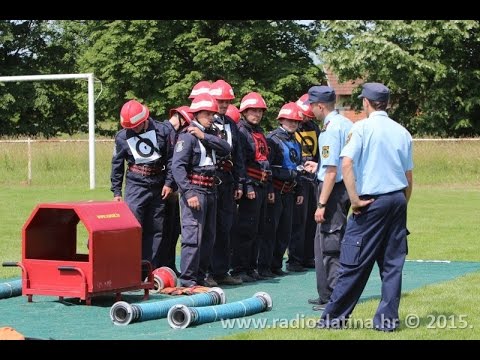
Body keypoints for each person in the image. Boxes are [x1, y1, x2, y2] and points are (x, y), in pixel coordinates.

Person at [317, 82, 413, 332]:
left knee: (352, 261)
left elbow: (346, 164)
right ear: (387, 103)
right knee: (392, 265)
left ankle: (333, 319)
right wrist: (402, 202)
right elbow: (408, 175)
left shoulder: (361, 128)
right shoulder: (402, 131)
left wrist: (356, 199)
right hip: (397, 199)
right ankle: (387, 322)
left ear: (366, 103)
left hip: (371, 202)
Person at [171, 93, 231, 287]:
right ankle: (188, 279)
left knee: (208, 236)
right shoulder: (186, 136)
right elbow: (177, 167)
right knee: (192, 236)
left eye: (212, 114)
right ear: (197, 114)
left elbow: (226, 148)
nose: (211, 117)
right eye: (207, 114)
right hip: (195, 190)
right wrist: (188, 193)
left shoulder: (210, 134)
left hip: (211, 190)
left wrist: (204, 136)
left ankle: (200, 276)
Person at [110, 99, 173, 280]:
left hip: (158, 185)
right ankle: (129, 269)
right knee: (133, 227)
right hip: (135, 185)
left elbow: (170, 160)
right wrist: (116, 192)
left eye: (137, 127)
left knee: (156, 228)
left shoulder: (163, 131)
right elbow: (117, 164)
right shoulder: (122, 136)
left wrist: (169, 183)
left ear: (145, 119)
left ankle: (148, 271)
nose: (134, 130)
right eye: (131, 128)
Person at [303, 86, 353, 311]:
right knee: (322, 242)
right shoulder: (345, 124)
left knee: (331, 244)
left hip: (333, 191)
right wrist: (319, 167)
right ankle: (326, 294)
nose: (311, 110)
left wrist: (321, 203)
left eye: (312, 106)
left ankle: (334, 298)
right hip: (342, 188)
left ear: (320, 106)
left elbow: (332, 170)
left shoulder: (331, 130)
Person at [230, 92, 272, 282]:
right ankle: (239, 268)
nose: (257, 114)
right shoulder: (240, 131)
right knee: (245, 229)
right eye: (253, 111)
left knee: (259, 229)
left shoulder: (259, 131)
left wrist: (269, 188)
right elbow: (240, 162)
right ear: (245, 111)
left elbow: (265, 161)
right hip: (251, 185)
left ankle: (251, 267)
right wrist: (247, 186)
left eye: (259, 111)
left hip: (262, 184)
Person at [206, 80, 245, 286]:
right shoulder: (205, 122)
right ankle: (207, 272)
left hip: (228, 179)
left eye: (226, 101)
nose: (223, 104)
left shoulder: (231, 123)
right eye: (220, 101)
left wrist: (240, 183)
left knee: (225, 226)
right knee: (209, 227)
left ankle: (221, 271)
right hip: (210, 178)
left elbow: (238, 155)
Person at [258, 102, 304, 277]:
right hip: (275, 190)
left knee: (285, 230)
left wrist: (299, 190)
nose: (293, 123)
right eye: (289, 120)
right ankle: (264, 266)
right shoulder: (273, 140)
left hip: (290, 191)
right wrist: (269, 189)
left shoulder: (295, 140)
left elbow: (297, 167)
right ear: (282, 120)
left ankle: (276, 265)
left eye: (295, 121)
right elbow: (267, 167)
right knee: (270, 230)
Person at [155, 106, 194, 276]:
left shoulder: (178, 134)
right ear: (181, 119)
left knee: (173, 229)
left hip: (174, 189)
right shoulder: (161, 131)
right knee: (160, 230)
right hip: (161, 187)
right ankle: (155, 267)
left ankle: (169, 265)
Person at [288, 94, 321, 271]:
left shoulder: (313, 127)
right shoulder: (292, 128)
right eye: (305, 116)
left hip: (312, 178)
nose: (306, 119)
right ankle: (294, 259)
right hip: (298, 178)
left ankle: (309, 256)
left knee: (311, 220)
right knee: (298, 221)